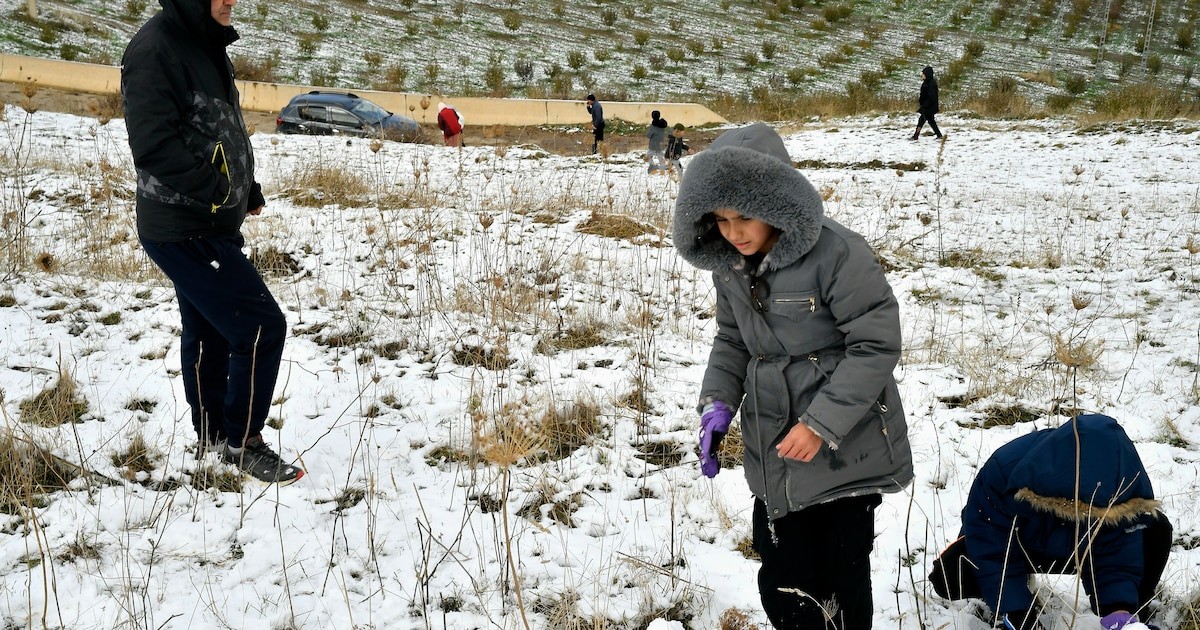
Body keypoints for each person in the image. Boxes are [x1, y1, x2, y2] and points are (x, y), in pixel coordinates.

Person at [673, 122, 914, 629]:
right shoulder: (730, 266)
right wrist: (717, 404)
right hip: (775, 452)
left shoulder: (837, 253)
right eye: (720, 219)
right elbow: (733, 340)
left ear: (776, 202)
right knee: (783, 579)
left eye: (744, 216)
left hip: (844, 453)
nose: (733, 232)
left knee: (841, 582)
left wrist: (821, 425)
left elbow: (875, 345)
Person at [122, 0, 304, 484]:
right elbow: (153, 145)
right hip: (183, 225)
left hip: (206, 219)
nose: (230, 1)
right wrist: (220, 190)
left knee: (208, 329)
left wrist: (246, 190)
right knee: (260, 327)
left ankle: (213, 434)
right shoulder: (155, 51)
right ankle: (243, 441)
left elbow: (220, 132)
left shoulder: (205, 42)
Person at [929, 414, 1172, 630]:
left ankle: (1133, 611)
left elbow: (1117, 554)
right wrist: (1016, 610)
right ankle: (1016, 588)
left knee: (1154, 532)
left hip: (1080, 551)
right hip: (1019, 548)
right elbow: (990, 547)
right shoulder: (1005, 470)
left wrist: (1118, 610)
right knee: (950, 575)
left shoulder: (1118, 487)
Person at [911, 65, 943, 140]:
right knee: (929, 121)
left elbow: (932, 97)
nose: (922, 75)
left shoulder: (931, 83)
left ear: (927, 74)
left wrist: (924, 106)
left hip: (929, 107)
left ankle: (916, 135)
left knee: (924, 120)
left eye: (923, 74)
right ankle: (938, 135)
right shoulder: (926, 82)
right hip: (927, 107)